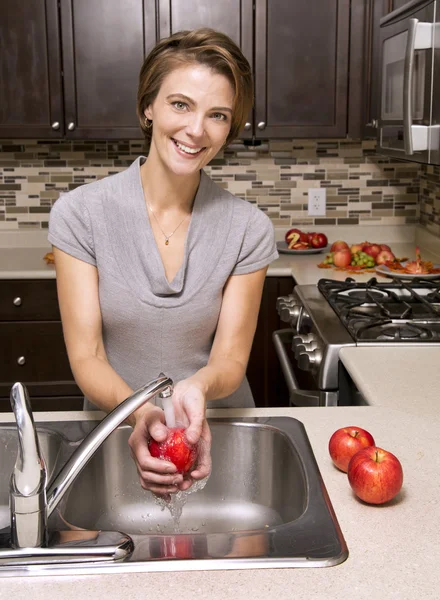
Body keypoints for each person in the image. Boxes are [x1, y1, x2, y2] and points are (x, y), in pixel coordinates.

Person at [48, 28, 278, 498]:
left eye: (217, 115)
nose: (197, 130)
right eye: (180, 104)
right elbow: (87, 355)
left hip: (216, 430)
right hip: (114, 430)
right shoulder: (80, 214)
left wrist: (196, 390)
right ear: (147, 106)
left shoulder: (248, 228)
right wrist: (142, 413)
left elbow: (231, 358)